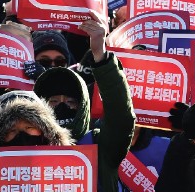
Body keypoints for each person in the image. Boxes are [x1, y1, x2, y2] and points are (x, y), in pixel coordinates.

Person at [33, 14, 135, 192]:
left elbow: (121, 116)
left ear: (82, 106)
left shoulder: (101, 145)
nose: (62, 106)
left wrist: (100, 55)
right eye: (54, 102)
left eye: (71, 102)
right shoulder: (29, 144)